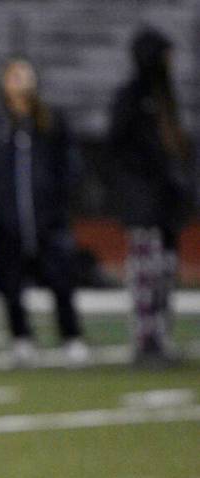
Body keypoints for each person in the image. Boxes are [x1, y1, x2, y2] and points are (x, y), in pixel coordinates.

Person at [0, 58, 89, 366]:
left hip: (48, 219)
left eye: (24, 73)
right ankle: (21, 338)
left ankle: (71, 336)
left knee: (60, 280)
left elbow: (69, 165)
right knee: (11, 283)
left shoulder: (50, 120)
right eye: (13, 75)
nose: (19, 80)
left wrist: (60, 200)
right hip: (8, 221)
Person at [109, 27, 194, 365]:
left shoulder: (165, 97)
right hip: (143, 203)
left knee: (165, 273)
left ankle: (160, 337)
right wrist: (136, 185)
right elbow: (119, 146)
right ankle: (146, 341)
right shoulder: (132, 96)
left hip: (165, 204)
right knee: (146, 273)